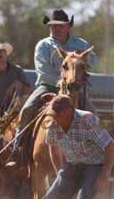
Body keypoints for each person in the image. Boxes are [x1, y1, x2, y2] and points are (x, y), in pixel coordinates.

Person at [27, 95, 114, 199]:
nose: (54, 120)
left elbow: (111, 146)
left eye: (58, 116)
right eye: (53, 116)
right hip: (72, 166)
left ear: (69, 112)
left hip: (94, 166)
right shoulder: (52, 124)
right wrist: (60, 173)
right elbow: (53, 149)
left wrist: (104, 175)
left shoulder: (87, 120)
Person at [12, 9, 98, 154]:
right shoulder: (43, 45)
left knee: (93, 114)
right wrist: (63, 83)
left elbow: (95, 61)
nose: (57, 29)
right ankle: (17, 148)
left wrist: (83, 60)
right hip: (48, 87)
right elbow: (44, 72)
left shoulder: (80, 44)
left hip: (74, 90)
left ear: (68, 26)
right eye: (53, 26)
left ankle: (95, 150)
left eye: (60, 26)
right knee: (27, 109)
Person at [0, 40, 31, 115]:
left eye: (0, 51)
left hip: (16, 112)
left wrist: (19, 85)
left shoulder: (18, 71)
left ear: (5, 53)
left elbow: (28, 90)